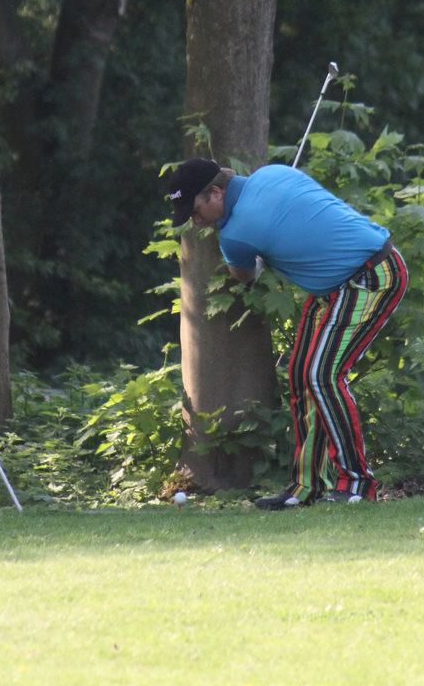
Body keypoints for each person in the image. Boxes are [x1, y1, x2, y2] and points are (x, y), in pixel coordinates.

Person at [166, 157, 408, 509]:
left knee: (322, 376)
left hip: (372, 276)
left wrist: (257, 260)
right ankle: (306, 487)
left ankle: (356, 485)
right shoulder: (273, 172)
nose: (195, 221)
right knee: (301, 375)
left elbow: (245, 275)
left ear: (216, 193)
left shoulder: (234, 235)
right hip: (337, 288)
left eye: (195, 210)